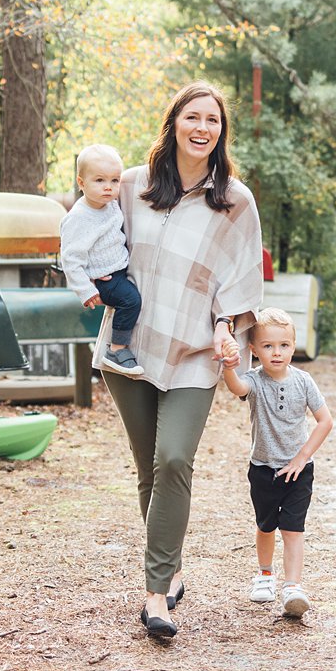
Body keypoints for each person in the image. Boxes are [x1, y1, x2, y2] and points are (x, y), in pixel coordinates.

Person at [98, 81, 264, 640]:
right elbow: (88, 235)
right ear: (174, 123)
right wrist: (88, 279)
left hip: (195, 351)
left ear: (221, 132)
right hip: (129, 346)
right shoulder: (130, 186)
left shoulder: (234, 201)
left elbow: (241, 278)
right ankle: (168, 570)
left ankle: (155, 599)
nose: (202, 128)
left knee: (173, 460)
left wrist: (226, 325)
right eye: (193, 117)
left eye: (212, 120)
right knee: (150, 468)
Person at [220, 307, 334, 619]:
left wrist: (302, 457)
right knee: (266, 525)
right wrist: (229, 367)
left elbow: (325, 421)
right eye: (268, 346)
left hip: (299, 471)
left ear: (293, 345)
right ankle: (265, 575)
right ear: (254, 350)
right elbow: (237, 388)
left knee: (293, 528)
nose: (276, 352)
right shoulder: (254, 381)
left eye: (284, 345)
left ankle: (293, 587)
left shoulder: (304, 381)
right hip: (263, 469)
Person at [60, 143, 144, 376]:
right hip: (104, 279)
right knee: (131, 301)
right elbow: (70, 259)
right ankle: (116, 349)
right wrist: (85, 289)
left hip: (117, 269)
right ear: (81, 183)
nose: (108, 187)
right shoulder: (79, 218)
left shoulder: (109, 204)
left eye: (114, 181)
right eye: (99, 181)